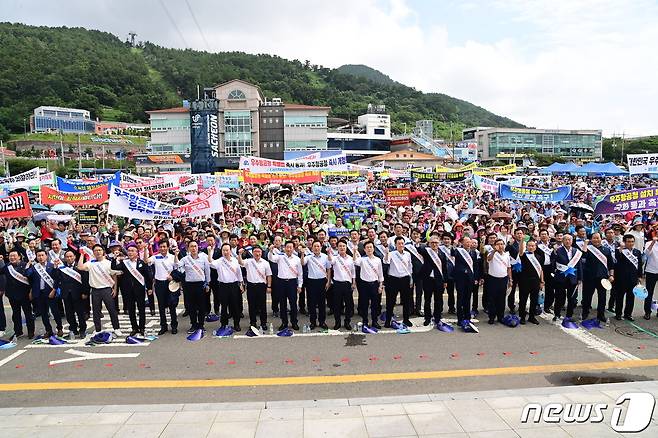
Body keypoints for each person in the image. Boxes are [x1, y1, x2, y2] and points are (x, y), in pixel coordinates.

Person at [77, 244, 122, 336]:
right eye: (95, 250)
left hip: (106, 289)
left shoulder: (109, 263)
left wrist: (115, 288)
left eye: (99, 250)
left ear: (103, 252)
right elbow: (80, 267)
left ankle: (116, 328)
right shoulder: (91, 263)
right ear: (93, 252)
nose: (98, 252)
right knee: (96, 312)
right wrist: (82, 254)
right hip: (95, 290)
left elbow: (114, 275)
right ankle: (98, 329)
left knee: (112, 310)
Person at [111, 245, 153, 336]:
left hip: (140, 290)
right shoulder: (124, 263)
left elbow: (148, 276)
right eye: (129, 250)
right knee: (131, 309)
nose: (130, 252)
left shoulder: (142, 263)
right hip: (127, 290)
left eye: (132, 251)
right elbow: (114, 267)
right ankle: (134, 327)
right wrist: (115, 258)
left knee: (141, 309)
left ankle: (142, 327)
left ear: (137, 253)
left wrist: (149, 288)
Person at [176, 241, 211, 333]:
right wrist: (176, 255)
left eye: (195, 246)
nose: (193, 248)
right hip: (189, 285)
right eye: (191, 246)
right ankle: (193, 325)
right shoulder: (185, 259)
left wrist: (207, 283)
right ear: (188, 248)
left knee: (201, 306)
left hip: (201, 285)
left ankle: (201, 325)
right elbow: (177, 266)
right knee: (191, 307)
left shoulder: (203, 258)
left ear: (198, 247)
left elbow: (207, 272)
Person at [53, 250, 89, 338]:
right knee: (69, 314)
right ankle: (73, 329)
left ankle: (82, 330)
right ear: (64, 258)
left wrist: (85, 292)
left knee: (80, 313)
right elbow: (56, 278)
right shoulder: (62, 267)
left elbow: (85, 280)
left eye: (71, 256)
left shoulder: (79, 266)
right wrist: (55, 267)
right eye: (67, 257)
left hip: (78, 293)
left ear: (74, 257)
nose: (69, 258)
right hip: (66, 293)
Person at [26, 249, 62, 337]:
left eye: (42, 255)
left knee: (55, 311)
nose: (41, 257)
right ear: (36, 257)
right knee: (44, 313)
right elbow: (27, 274)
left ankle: (60, 328)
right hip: (39, 293)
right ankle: (48, 330)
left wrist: (54, 290)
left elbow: (57, 279)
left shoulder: (52, 265)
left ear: (46, 256)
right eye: (39, 256)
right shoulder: (35, 267)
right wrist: (28, 265)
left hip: (50, 293)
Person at [268, 241, 303, 331]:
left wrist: (299, 285)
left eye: (291, 247)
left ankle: (294, 322)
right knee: (282, 304)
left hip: (292, 283)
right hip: (281, 282)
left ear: (293, 248)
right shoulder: (280, 257)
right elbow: (271, 258)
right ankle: (284, 322)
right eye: (287, 247)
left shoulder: (297, 259)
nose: (288, 249)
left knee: (293, 304)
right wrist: (271, 250)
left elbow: (300, 273)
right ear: (284, 248)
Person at [581, 233, 614, 322]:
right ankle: (585, 312)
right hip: (589, 277)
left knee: (602, 297)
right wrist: (585, 244)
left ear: (601, 238)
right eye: (594, 238)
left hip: (603, 278)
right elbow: (582, 257)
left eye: (598, 238)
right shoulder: (588, 249)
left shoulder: (606, 250)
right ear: (591, 239)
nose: (596, 240)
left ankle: (601, 315)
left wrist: (611, 275)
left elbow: (610, 265)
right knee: (587, 296)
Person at [0, 251, 34, 338]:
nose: (12, 258)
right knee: (15, 314)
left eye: (14, 256)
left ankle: (31, 331)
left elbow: (32, 279)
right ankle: (18, 331)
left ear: (19, 257)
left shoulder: (26, 265)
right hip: (12, 295)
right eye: (10, 256)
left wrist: (31, 291)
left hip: (25, 294)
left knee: (28, 313)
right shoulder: (7, 266)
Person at [147, 240, 178, 335]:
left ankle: (174, 326)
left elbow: (178, 269)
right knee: (161, 306)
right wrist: (145, 249)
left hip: (170, 284)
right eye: (160, 247)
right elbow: (146, 261)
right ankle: (163, 326)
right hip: (159, 284)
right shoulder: (155, 257)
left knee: (172, 305)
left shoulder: (173, 257)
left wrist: (172, 276)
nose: (162, 248)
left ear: (168, 247)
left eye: (164, 246)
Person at [211, 243, 244, 331]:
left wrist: (241, 284)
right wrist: (209, 251)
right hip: (223, 286)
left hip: (234, 285)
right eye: (223, 250)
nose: (225, 252)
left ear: (230, 251)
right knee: (224, 306)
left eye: (227, 250)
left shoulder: (235, 260)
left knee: (235, 306)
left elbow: (239, 273)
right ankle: (223, 324)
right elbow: (210, 262)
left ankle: (236, 324)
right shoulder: (219, 261)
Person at [239, 245, 272, 331]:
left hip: (261, 286)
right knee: (251, 305)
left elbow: (269, 275)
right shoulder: (249, 261)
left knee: (262, 306)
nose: (257, 253)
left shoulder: (265, 263)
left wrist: (269, 286)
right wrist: (239, 254)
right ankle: (253, 323)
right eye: (255, 252)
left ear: (261, 253)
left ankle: (263, 323)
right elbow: (241, 263)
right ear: (252, 253)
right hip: (251, 286)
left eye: (259, 252)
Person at [383, 236, 413, 328]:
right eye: (399, 243)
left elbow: (409, 267)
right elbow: (386, 261)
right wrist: (387, 253)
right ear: (395, 245)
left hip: (405, 279)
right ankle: (388, 320)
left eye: (402, 243)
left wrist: (411, 279)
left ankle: (406, 319)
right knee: (390, 301)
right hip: (393, 279)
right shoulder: (392, 253)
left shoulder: (407, 254)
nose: (401, 245)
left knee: (406, 301)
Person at [353, 240, 384, 329]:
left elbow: (380, 274)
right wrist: (355, 251)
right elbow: (355, 262)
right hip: (364, 285)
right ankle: (365, 321)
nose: (369, 249)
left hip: (374, 284)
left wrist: (380, 285)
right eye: (367, 247)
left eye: (371, 247)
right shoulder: (362, 259)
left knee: (375, 305)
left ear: (373, 249)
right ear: (365, 250)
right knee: (364, 305)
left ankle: (374, 321)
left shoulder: (378, 260)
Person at [300, 241, 331, 330]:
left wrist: (328, 281)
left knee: (322, 303)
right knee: (311, 303)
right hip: (311, 282)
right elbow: (302, 263)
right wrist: (302, 254)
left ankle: (322, 321)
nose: (316, 248)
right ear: (312, 248)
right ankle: (312, 322)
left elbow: (329, 269)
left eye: (318, 246)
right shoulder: (309, 257)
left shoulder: (325, 257)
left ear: (321, 247)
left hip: (322, 282)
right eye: (315, 246)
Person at [552, 234, 582, 322]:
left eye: (569, 240)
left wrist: (580, 278)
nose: (568, 241)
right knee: (559, 297)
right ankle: (557, 314)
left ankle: (569, 315)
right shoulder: (557, 250)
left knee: (572, 298)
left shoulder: (577, 251)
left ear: (572, 241)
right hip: (560, 277)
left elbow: (579, 265)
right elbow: (553, 262)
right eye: (566, 240)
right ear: (563, 241)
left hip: (573, 278)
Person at [417, 235, 447, 326]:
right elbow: (419, 249)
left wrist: (445, 281)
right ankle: (427, 318)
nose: (434, 244)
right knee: (427, 300)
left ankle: (437, 317)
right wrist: (417, 243)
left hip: (438, 280)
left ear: (439, 243)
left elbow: (444, 268)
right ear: (429, 243)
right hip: (428, 279)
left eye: (436, 242)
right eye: (432, 242)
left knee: (438, 300)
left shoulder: (442, 254)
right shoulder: (426, 251)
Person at [328, 240, 357, 330]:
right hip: (337, 284)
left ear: (346, 247)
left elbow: (353, 272)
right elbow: (331, 261)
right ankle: (337, 322)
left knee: (348, 305)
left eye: (343, 246)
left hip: (347, 284)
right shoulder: (335, 258)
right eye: (340, 246)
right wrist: (329, 253)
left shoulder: (350, 258)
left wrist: (353, 282)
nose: (342, 248)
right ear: (337, 248)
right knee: (337, 305)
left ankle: (347, 322)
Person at [614, 234, 643, 321]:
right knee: (619, 297)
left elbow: (639, 265)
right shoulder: (619, 251)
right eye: (628, 242)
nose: (630, 243)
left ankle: (628, 314)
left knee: (631, 298)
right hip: (621, 278)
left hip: (633, 278)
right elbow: (617, 259)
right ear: (624, 242)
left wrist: (640, 276)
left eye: (632, 241)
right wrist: (621, 249)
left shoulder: (637, 252)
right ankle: (618, 314)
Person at [453, 236, 480, 327]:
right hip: (460, 278)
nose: (469, 244)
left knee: (468, 298)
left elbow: (476, 266)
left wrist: (476, 278)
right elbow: (452, 253)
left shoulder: (473, 253)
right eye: (467, 242)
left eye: (470, 242)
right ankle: (460, 319)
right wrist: (455, 244)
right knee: (460, 298)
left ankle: (467, 318)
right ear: (463, 243)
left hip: (470, 278)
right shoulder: (458, 251)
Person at [486, 239, 511, 324]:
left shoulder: (506, 255)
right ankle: (492, 317)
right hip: (493, 279)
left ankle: (500, 317)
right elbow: (489, 259)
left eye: (502, 244)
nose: (500, 246)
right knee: (492, 299)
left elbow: (508, 268)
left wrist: (510, 279)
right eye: (498, 244)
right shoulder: (492, 253)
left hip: (503, 279)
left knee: (501, 299)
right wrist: (494, 250)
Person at [518, 239, 543, 325]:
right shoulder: (524, 255)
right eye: (529, 246)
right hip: (525, 280)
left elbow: (540, 269)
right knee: (523, 299)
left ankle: (532, 317)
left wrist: (542, 281)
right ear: (527, 247)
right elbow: (520, 251)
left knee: (534, 300)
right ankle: (522, 316)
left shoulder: (539, 257)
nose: (531, 247)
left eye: (533, 246)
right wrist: (521, 241)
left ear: (535, 247)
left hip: (535, 281)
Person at [643, 235, 658, 320]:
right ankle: (647, 312)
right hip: (651, 271)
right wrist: (653, 242)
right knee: (649, 292)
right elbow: (646, 254)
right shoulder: (649, 243)